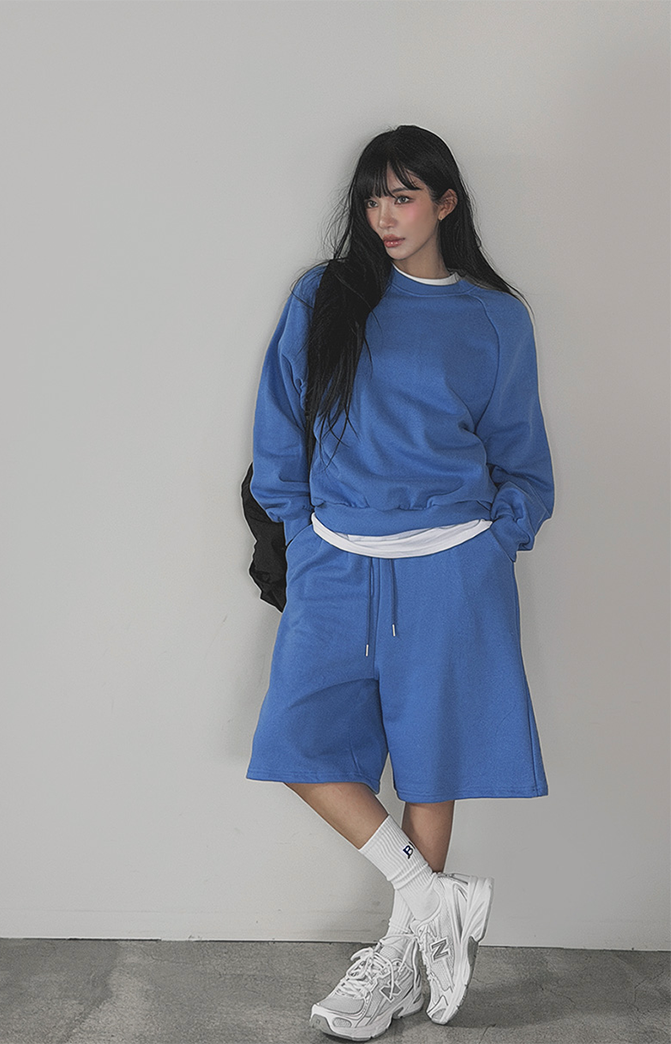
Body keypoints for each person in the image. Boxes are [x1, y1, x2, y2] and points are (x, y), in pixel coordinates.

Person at [245, 124, 553, 1040]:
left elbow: (521, 456)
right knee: (299, 741)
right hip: (336, 555)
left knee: (430, 757)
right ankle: (430, 901)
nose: (386, 215)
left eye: (405, 196)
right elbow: (279, 427)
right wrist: (301, 536)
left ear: (446, 203)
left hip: (453, 561)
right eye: (374, 197)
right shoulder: (325, 296)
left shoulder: (495, 318)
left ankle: (398, 963)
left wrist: (498, 540)